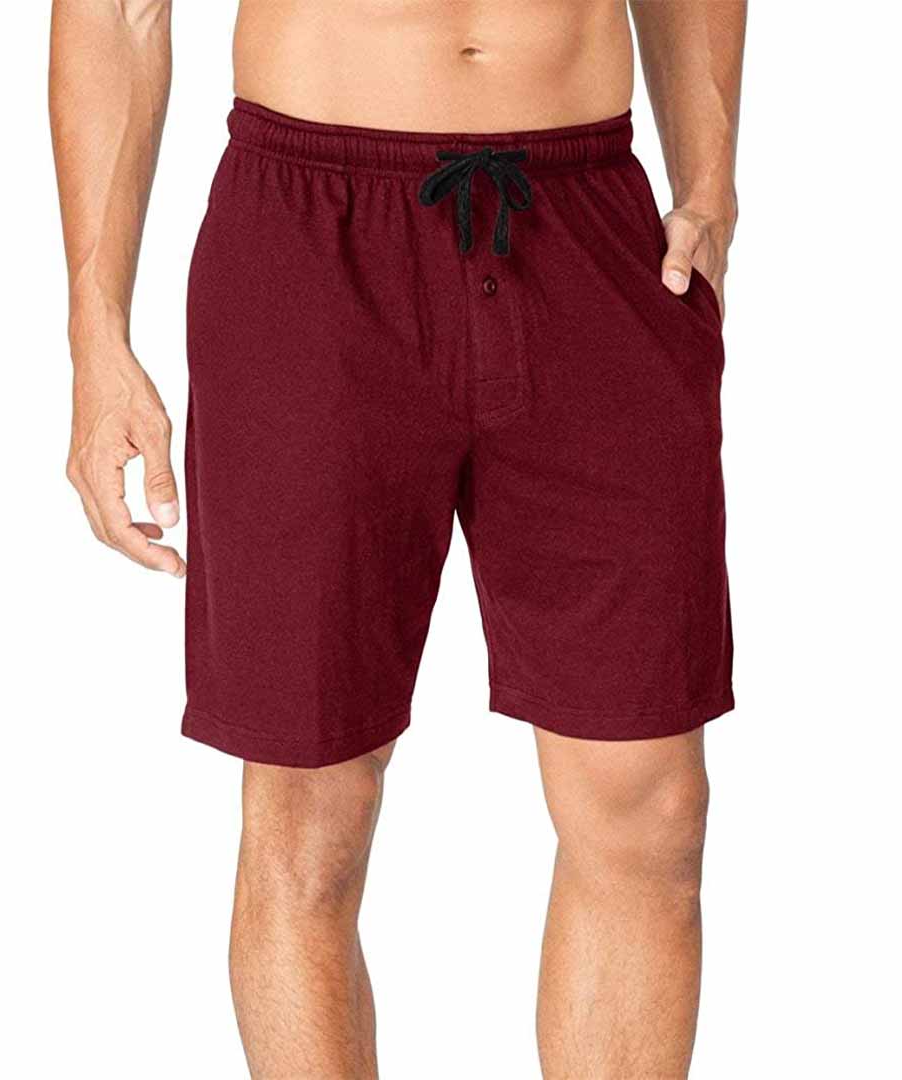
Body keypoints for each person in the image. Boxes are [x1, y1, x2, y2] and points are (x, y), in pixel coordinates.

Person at [50, 1, 746, 1075]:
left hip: (592, 228)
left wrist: (709, 183)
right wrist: (97, 335)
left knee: (650, 807)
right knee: (311, 807)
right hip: (311, 234)